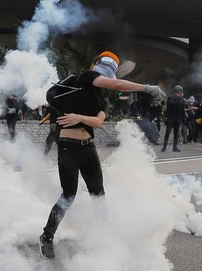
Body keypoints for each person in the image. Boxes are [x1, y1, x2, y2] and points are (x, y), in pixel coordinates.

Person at [39, 51, 165, 259]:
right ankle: (47, 236)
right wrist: (146, 88)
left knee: (98, 194)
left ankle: (103, 237)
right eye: (106, 67)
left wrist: (80, 117)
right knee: (68, 196)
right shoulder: (85, 77)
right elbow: (114, 85)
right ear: (96, 65)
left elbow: (98, 122)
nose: (107, 73)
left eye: (111, 69)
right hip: (68, 146)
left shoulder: (101, 100)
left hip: (88, 148)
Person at [161, 85, 186, 152]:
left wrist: (165, 117)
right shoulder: (181, 100)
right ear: (179, 91)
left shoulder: (170, 99)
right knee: (175, 133)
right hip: (177, 119)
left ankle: (164, 147)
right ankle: (174, 147)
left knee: (168, 132)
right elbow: (182, 110)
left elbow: (168, 109)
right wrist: (184, 118)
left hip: (171, 118)